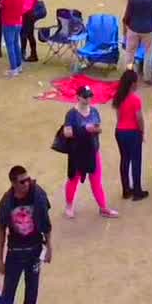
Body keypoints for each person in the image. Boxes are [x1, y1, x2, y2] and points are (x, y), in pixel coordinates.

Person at [0, 165, 52, 304]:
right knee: (9, 288)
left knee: (32, 286)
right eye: (22, 181)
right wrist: (0, 259)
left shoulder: (38, 196)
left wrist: (49, 248)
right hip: (15, 251)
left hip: (35, 249)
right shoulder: (6, 202)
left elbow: (46, 224)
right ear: (14, 183)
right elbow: (1, 230)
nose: (27, 183)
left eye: (28, 179)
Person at [60, 86, 117, 218]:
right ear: (78, 97)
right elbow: (67, 132)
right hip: (77, 152)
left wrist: (96, 130)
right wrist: (85, 129)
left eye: (90, 96)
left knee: (96, 180)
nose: (88, 99)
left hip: (92, 151)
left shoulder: (95, 111)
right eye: (85, 96)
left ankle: (103, 207)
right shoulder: (71, 114)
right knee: (73, 179)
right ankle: (69, 206)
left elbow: (97, 127)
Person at [112, 69, 149, 201]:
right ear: (133, 83)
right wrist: (142, 132)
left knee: (124, 160)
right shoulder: (135, 99)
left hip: (120, 131)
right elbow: (139, 118)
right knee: (136, 161)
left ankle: (126, 189)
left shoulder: (119, 97)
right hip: (132, 132)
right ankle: (137, 190)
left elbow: (119, 116)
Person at [122, 0, 152, 84]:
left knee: (130, 53)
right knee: (148, 53)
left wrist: (125, 28)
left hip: (133, 28)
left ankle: (129, 74)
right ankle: (147, 77)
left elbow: (127, 15)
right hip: (148, 29)